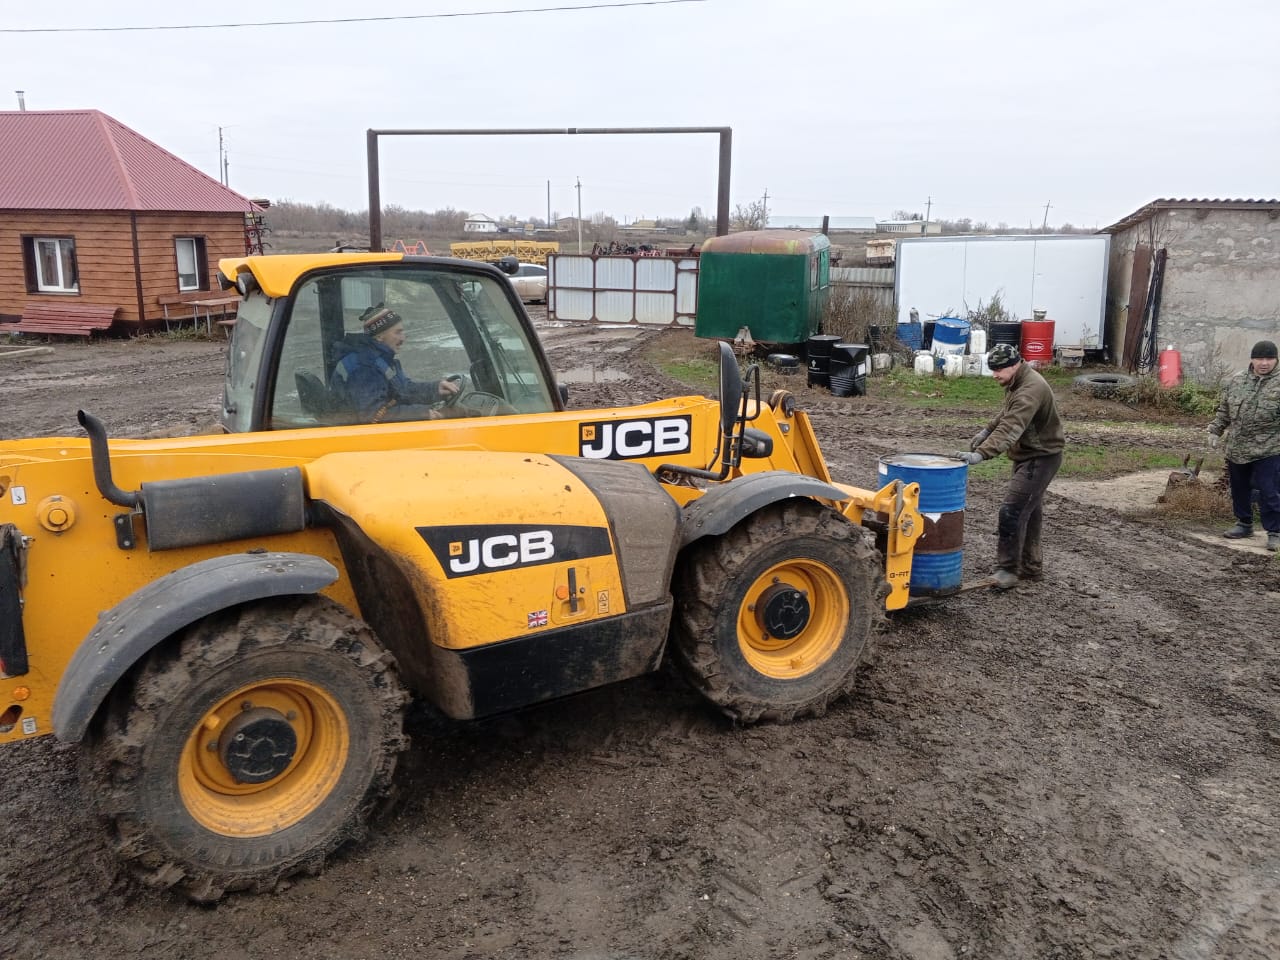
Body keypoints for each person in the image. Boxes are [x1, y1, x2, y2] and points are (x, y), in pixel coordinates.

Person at [952, 343, 1065, 590]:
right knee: (1029, 512)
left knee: (1011, 511)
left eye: (998, 370)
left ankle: (1008, 570)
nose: (994, 375)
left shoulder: (1030, 390)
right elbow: (1006, 413)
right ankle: (1031, 567)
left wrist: (981, 454)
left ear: (1014, 364)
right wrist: (986, 431)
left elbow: (1011, 427)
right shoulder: (1018, 381)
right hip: (1030, 455)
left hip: (1040, 458)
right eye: (992, 369)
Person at [1207, 339, 1280, 551]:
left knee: (1269, 490)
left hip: (1269, 448)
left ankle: (1274, 532)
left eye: (1269, 359)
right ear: (1252, 359)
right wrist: (1215, 430)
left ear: (1276, 360)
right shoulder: (1237, 380)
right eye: (1259, 358)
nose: (1264, 363)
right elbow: (1224, 410)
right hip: (1237, 447)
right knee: (1239, 488)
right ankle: (1244, 523)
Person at [329, 304, 459, 422]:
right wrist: (422, 413)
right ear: (379, 336)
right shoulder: (364, 367)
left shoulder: (379, 359)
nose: (403, 338)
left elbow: (404, 390)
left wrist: (435, 389)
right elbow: (374, 416)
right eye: (398, 332)